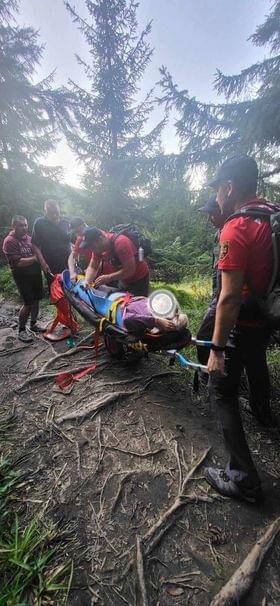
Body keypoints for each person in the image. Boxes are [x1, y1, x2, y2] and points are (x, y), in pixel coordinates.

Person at [205, 155, 277, 503]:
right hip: (268, 318)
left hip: (244, 323)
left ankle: (244, 479)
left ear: (229, 187)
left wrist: (217, 351)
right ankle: (264, 414)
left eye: (218, 189)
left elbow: (229, 298)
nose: (217, 197)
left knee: (221, 391)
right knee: (255, 359)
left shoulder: (237, 226)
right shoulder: (272, 215)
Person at [2, 216, 44, 343]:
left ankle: (33, 324)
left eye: (25, 225)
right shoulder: (10, 241)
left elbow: (38, 252)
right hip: (22, 277)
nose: (24, 228)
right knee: (28, 303)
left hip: (35, 274)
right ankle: (21, 330)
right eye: (21, 225)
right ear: (13, 227)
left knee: (37, 300)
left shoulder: (29, 239)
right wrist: (36, 258)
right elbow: (18, 262)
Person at [80, 227, 150, 296]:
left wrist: (109, 277)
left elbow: (130, 270)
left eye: (92, 247)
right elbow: (93, 267)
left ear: (100, 239)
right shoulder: (97, 248)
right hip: (123, 279)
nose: (92, 250)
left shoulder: (121, 243)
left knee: (137, 304)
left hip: (139, 278)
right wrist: (87, 281)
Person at [32, 200, 70, 287]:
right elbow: (35, 244)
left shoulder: (66, 223)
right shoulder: (39, 223)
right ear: (45, 212)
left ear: (59, 210)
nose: (54, 215)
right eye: (51, 213)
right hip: (50, 264)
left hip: (67, 262)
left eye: (56, 212)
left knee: (71, 288)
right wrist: (43, 263)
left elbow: (71, 241)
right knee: (55, 289)